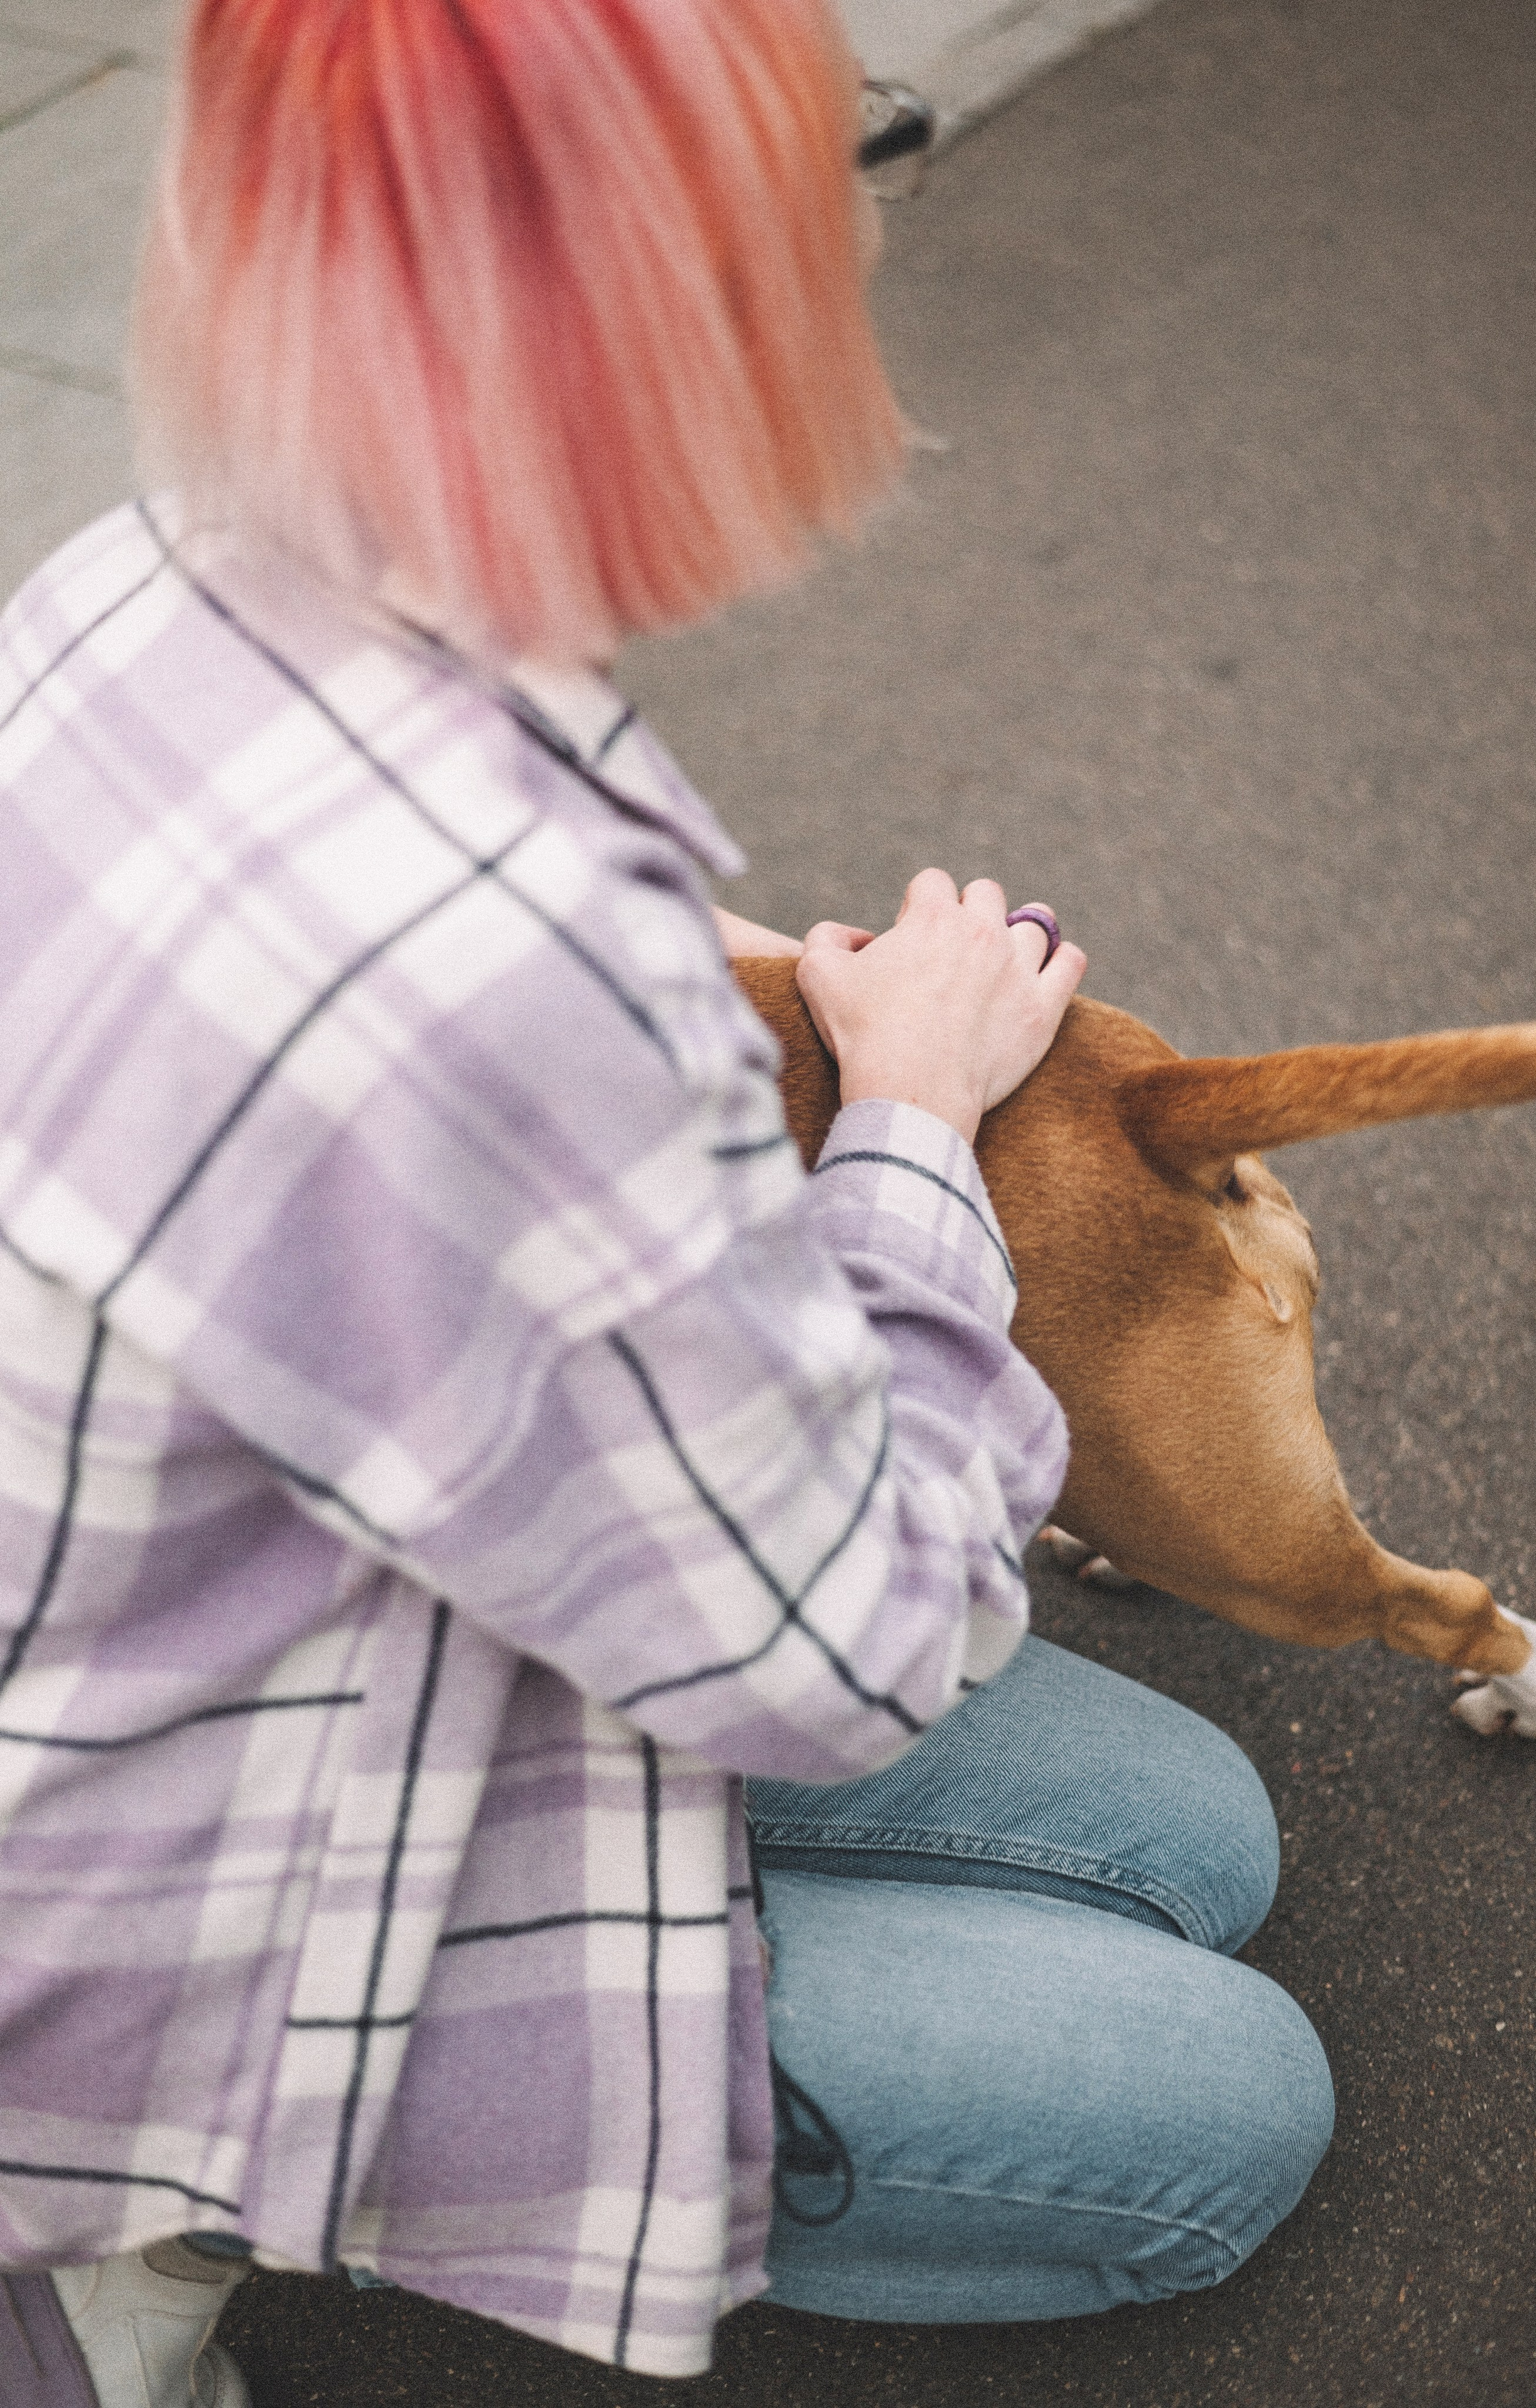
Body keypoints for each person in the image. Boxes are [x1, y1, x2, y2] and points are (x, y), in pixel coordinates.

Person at [0, 3, 1333, 2401]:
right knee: (1231, 2122)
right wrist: (909, 1120)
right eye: (847, 160)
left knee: (1199, 1837)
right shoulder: (514, 977)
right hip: (213, 1919)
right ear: (678, 308)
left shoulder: (124, 586)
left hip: (221, 1671)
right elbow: (847, 1648)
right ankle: (201, 2213)